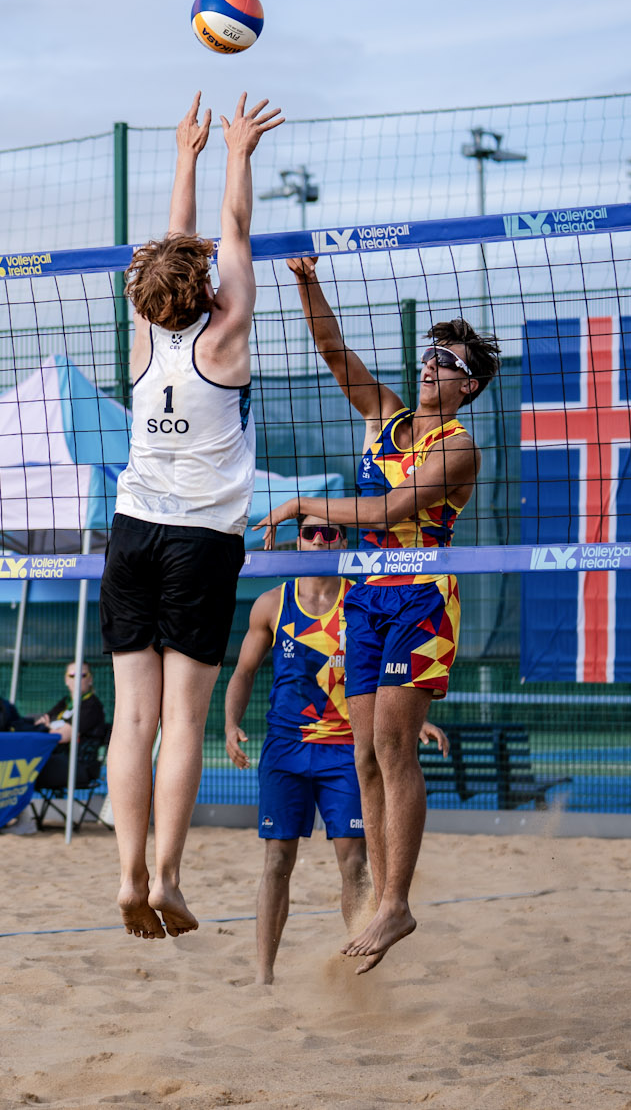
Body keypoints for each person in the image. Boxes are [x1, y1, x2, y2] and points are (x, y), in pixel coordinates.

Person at [256, 256, 499, 972]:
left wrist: (305, 502)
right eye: (428, 354)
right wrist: (306, 281)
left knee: (394, 748)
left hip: (421, 594)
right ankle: (379, 901)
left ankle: (397, 900)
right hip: (365, 596)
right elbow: (332, 351)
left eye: (446, 360)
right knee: (363, 756)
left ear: (468, 385)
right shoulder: (383, 415)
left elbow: (391, 509)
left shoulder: (459, 448)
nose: (430, 365)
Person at [102, 90, 283, 940]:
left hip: (132, 531)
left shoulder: (141, 336)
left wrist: (186, 154)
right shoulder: (228, 333)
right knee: (184, 722)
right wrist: (237, 153)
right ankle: (166, 875)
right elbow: (234, 232)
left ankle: (125, 871)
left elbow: (177, 252)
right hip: (202, 543)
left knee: (132, 719)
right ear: (203, 283)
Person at [222, 522, 447, 983]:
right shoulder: (273, 603)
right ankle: (264, 976)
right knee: (277, 862)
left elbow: (392, 676)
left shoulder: (362, 598)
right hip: (286, 746)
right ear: (298, 540)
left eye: (332, 533)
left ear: (343, 540)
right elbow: (244, 670)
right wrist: (228, 722)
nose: (322, 542)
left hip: (346, 748)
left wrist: (411, 720)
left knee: (354, 861)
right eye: (312, 533)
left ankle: (359, 963)